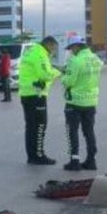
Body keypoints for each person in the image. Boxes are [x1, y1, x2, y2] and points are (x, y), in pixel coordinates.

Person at [61, 35, 104, 171]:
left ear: (77, 47)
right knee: (89, 131)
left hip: (75, 102)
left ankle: (74, 161)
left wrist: (64, 76)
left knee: (72, 131)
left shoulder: (75, 60)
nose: (71, 51)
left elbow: (69, 81)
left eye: (71, 48)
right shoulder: (96, 59)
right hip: (91, 101)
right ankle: (91, 160)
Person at [18, 36, 62, 165]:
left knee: (31, 127)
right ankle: (39, 155)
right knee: (40, 126)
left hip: (27, 93)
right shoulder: (40, 54)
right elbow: (45, 75)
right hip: (36, 95)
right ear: (49, 44)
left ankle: (32, 156)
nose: (53, 51)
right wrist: (58, 72)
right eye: (54, 48)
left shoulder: (31, 51)